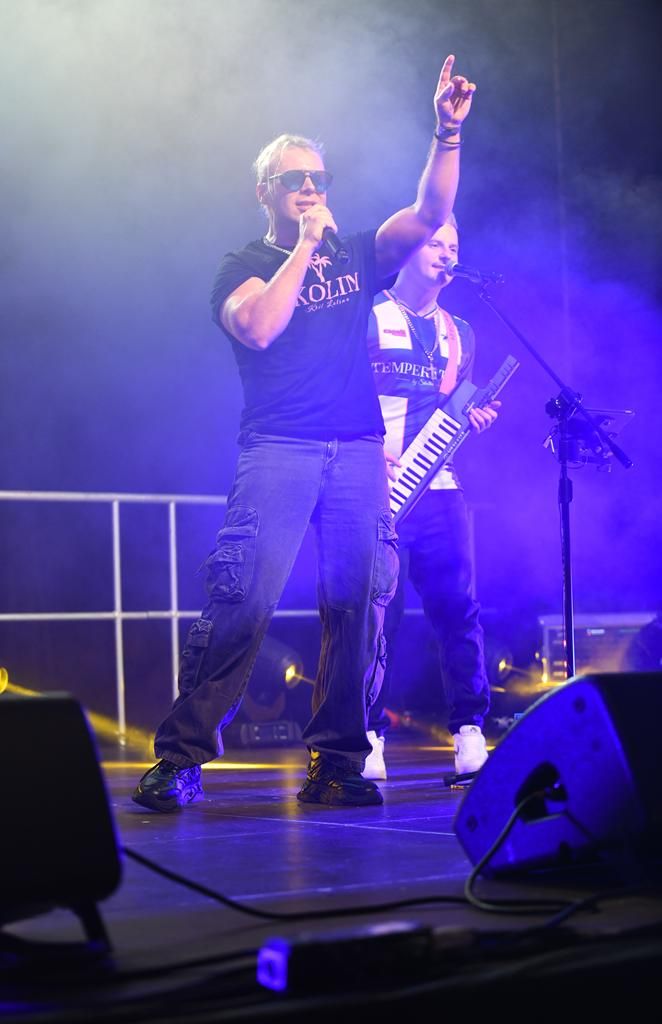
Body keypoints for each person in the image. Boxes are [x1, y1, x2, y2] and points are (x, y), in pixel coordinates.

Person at [133, 55, 476, 812]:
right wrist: (303, 248)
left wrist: (447, 133)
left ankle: (337, 763)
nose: (311, 189)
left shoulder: (357, 253)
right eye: (294, 179)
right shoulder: (243, 265)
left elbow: (428, 213)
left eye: (318, 178)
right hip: (279, 448)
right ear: (265, 191)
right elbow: (259, 327)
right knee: (243, 599)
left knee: (359, 604)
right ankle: (181, 758)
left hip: (356, 451)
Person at [362, 214, 499, 781]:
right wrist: (368, 452)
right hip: (375, 490)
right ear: (407, 249)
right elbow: (338, 398)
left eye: (453, 245)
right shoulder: (367, 315)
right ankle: (368, 734)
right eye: (435, 243)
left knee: (458, 612)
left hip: (440, 490)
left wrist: (474, 418)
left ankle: (469, 730)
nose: (446, 254)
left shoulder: (460, 333)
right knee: (377, 617)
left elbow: (453, 410)